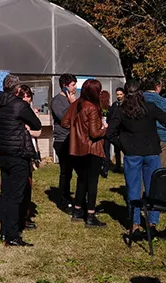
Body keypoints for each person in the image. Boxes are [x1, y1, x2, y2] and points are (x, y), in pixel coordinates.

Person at [107, 79, 166, 235]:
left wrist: (123, 145)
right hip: (152, 152)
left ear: (125, 93)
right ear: (140, 92)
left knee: (133, 188)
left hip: (132, 153)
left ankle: (135, 224)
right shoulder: (150, 108)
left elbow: (110, 133)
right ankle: (152, 223)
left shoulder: (121, 111)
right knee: (153, 188)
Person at [0, 74, 42, 246]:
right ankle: (13, 236)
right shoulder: (19, 105)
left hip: (3, 152)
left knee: (6, 193)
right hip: (18, 154)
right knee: (16, 195)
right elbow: (36, 124)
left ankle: (4, 231)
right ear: (17, 89)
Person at [61, 79, 108, 227]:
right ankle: (91, 215)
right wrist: (105, 128)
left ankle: (77, 210)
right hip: (91, 149)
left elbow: (64, 123)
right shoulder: (92, 108)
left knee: (82, 180)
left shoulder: (76, 104)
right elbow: (94, 134)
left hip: (77, 148)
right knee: (92, 182)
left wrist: (77, 129)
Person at [49, 73, 76, 212]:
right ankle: (63, 199)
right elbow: (64, 118)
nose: (75, 88)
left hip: (74, 139)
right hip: (62, 140)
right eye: (72, 85)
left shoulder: (74, 99)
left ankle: (74, 198)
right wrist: (72, 105)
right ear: (65, 86)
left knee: (75, 171)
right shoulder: (57, 101)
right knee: (65, 171)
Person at [19, 84, 42, 230]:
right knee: (20, 186)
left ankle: (25, 216)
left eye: (28, 96)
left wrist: (28, 130)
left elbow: (38, 132)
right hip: (19, 151)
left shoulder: (32, 112)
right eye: (24, 96)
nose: (26, 99)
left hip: (30, 151)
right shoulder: (16, 111)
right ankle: (21, 217)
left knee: (29, 185)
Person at [142, 76, 166, 168]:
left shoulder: (139, 100)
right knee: (163, 168)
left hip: (142, 137)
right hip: (161, 137)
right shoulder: (163, 102)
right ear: (157, 87)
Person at [109, 86, 125, 170]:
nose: (119, 96)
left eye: (120, 94)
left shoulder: (126, 104)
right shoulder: (115, 104)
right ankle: (118, 165)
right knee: (116, 148)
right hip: (116, 129)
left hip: (123, 129)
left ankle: (124, 165)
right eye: (118, 94)